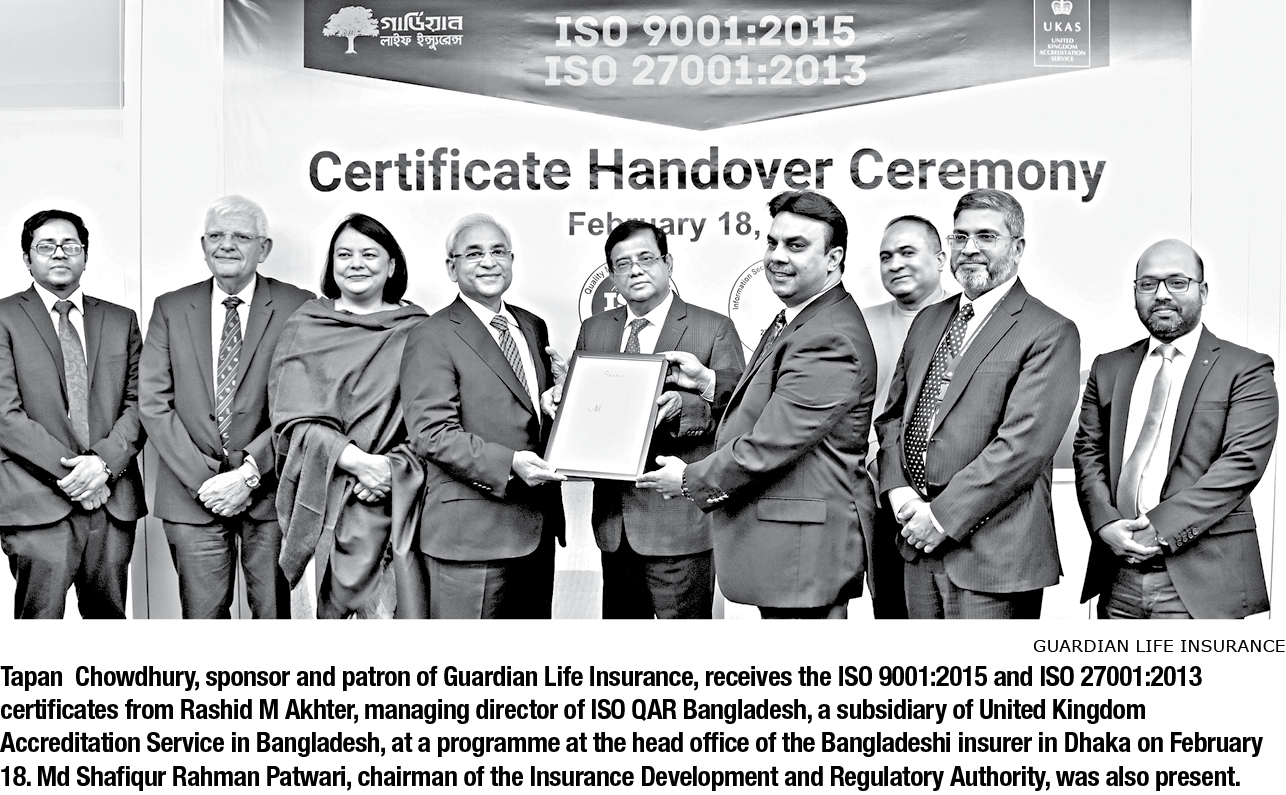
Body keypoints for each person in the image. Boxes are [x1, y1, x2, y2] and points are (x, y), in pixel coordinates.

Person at [639, 191, 876, 619]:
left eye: (796, 245)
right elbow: (775, 400)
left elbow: (771, 442)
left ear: (834, 258)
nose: (777, 256)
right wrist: (709, 383)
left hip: (800, 558)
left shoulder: (830, 335)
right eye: (772, 243)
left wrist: (690, 480)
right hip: (789, 552)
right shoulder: (804, 316)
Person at [875, 189, 1080, 619]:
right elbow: (893, 418)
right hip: (916, 545)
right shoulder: (929, 320)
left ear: (1017, 248)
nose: (969, 249)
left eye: (986, 236)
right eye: (960, 236)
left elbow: (1022, 448)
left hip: (994, 559)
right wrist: (900, 496)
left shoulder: (1049, 331)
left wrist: (939, 518)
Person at [544, 220, 744, 618]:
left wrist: (684, 405)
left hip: (679, 524)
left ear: (667, 263)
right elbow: (590, 411)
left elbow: (738, 412)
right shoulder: (595, 329)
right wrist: (565, 398)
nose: (635, 270)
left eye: (646, 258)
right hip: (613, 526)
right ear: (612, 275)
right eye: (622, 264)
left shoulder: (712, 328)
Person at [1074, 240, 1277, 619]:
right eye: (1148, 284)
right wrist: (1105, 524)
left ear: (1203, 291)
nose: (1162, 294)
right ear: (1136, 292)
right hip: (1118, 577)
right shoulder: (1109, 367)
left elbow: (1242, 464)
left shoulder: (1246, 368)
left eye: (1177, 282)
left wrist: (1159, 528)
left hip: (1203, 580)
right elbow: (1088, 454)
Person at [140, 195, 312, 618]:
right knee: (203, 624)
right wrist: (210, 483)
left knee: (275, 619)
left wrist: (249, 475)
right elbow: (154, 403)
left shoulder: (300, 306)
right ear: (203, 245)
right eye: (216, 235)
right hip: (192, 495)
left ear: (264, 248)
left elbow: (306, 403)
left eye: (241, 236)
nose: (227, 245)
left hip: (271, 495)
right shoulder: (170, 307)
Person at [400, 213, 564, 618]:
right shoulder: (431, 335)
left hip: (536, 529)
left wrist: (556, 400)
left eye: (498, 252)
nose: (489, 262)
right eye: (474, 254)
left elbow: (524, 408)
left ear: (511, 260)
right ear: (451, 268)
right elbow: (431, 433)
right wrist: (509, 463)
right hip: (470, 537)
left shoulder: (532, 326)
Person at [270, 214, 428, 619]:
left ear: (392, 265)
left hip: (397, 504)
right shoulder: (306, 325)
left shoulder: (419, 329)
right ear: (331, 265)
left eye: (369, 254)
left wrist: (391, 470)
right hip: (324, 499)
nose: (356, 264)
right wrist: (358, 463)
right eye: (344, 255)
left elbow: (435, 419)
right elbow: (291, 422)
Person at [0, 209, 146, 618]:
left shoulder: (121, 320)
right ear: (27, 258)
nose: (60, 253)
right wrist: (77, 477)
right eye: (46, 246)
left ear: (85, 255)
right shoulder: (3, 318)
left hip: (111, 500)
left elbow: (140, 404)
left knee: (108, 625)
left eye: (70, 245)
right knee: (39, 629)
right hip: (35, 503)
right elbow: (5, 415)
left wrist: (103, 464)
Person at [863, 215, 951, 619]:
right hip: (881, 498)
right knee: (893, 617)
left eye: (907, 252)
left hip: (951, 503)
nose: (895, 264)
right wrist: (886, 478)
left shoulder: (969, 322)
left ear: (940, 259)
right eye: (886, 256)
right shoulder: (859, 324)